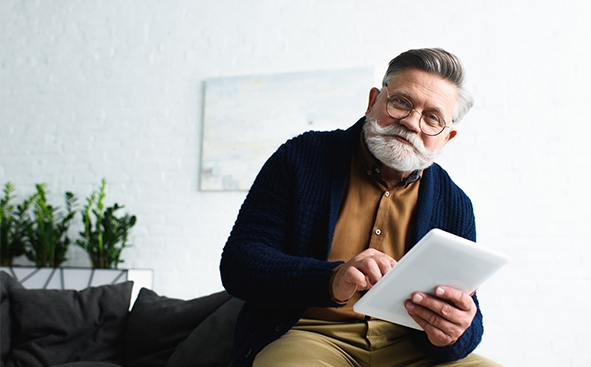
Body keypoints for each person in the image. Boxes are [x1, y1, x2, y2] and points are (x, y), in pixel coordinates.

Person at [220, 48, 501, 367]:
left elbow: (464, 319)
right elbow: (239, 264)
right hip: (310, 336)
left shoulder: (455, 204)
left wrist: (456, 332)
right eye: (401, 103)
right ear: (373, 101)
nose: (411, 122)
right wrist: (331, 278)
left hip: (408, 347)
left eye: (431, 118)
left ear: (446, 138)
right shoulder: (301, 158)